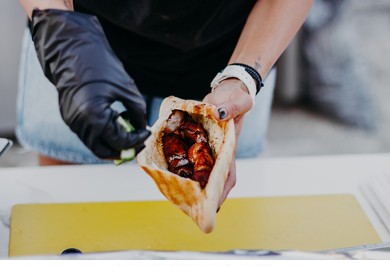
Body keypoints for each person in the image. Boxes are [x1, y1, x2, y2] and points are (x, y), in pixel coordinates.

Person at [17, 0, 313, 206]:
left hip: (234, 55)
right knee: (70, 215)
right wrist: (68, 51)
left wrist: (242, 77)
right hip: (83, 49)